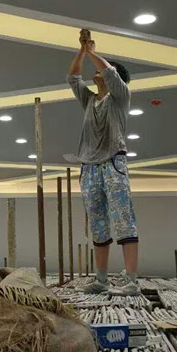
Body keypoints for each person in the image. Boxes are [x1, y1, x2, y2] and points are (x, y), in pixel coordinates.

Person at [67, 35, 139, 295]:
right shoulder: (89, 101)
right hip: (89, 166)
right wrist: (81, 51)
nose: (96, 72)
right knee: (97, 222)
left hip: (113, 162)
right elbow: (73, 78)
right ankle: (101, 279)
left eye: (103, 71)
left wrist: (91, 52)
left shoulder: (120, 97)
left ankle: (132, 280)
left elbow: (109, 72)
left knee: (123, 217)